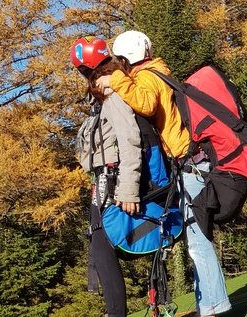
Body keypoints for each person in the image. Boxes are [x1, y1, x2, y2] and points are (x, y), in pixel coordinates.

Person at [96, 30, 231, 317]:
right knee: (196, 237)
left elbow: (144, 103)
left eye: (120, 62)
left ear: (127, 58)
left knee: (198, 240)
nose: (119, 68)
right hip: (190, 163)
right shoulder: (156, 71)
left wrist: (114, 81)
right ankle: (207, 306)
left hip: (192, 163)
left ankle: (213, 310)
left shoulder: (149, 76)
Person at [70, 35, 143, 317]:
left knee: (102, 246)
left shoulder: (112, 95)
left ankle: (116, 313)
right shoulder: (106, 93)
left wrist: (128, 189)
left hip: (112, 182)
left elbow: (130, 140)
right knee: (100, 245)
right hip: (104, 180)